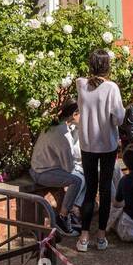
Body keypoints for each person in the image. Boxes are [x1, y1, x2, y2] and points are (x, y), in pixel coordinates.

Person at [75, 49, 125, 252]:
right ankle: (101, 236)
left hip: (87, 144)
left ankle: (84, 236)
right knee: (104, 191)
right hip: (107, 144)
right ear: (107, 66)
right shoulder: (111, 88)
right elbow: (119, 118)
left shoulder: (81, 85)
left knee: (89, 189)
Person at [29, 99, 84, 236]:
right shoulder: (62, 133)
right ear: (74, 114)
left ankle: (71, 213)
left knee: (81, 175)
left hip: (43, 168)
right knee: (76, 180)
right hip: (42, 172)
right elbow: (68, 167)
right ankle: (63, 218)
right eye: (81, 113)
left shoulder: (58, 126)